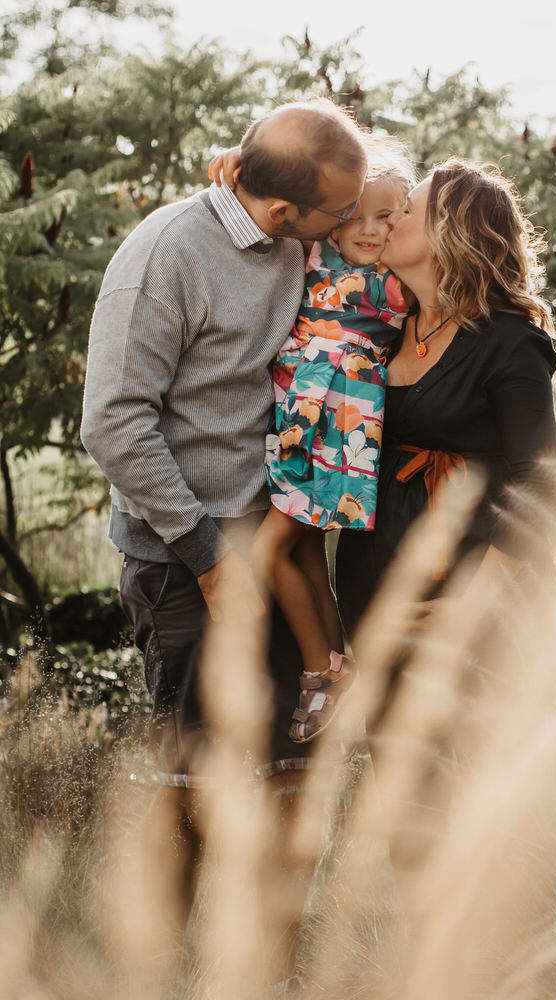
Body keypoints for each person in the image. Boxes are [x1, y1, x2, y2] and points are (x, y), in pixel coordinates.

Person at [80, 98, 368, 989]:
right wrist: (206, 559)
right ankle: (157, 970)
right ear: (283, 210)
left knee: (287, 772)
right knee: (193, 783)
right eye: (338, 214)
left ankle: (267, 971)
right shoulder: (167, 256)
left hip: (275, 552)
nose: (349, 225)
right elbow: (114, 426)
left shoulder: (294, 241)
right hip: (183, 558)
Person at [335, 155, 556, 645]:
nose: (390, 220)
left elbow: (542, 484)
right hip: (373, 596)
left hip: (466, 609)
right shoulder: (382, 328)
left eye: (407, 211)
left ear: (448, 232)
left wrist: (475, 603)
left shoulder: (508, 342)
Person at [250, 148, 414, 745]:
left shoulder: (398, 285)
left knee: (268, 552)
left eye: (388, 217)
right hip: (298, 419)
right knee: (306, 551)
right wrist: (233, 162)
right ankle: (337, 662)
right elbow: (283, 200)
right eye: (358, 217)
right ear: (336, 218)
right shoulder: (311, 254)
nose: (372, 230)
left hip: (340, 428)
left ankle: (322, 671)